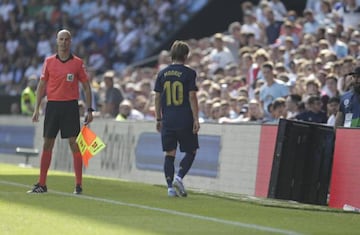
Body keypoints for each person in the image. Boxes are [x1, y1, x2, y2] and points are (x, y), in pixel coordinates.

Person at [27, 29, 94, 194]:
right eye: (61, 39)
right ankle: (42, 184)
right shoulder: (49, 61)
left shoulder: (77, 63)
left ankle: (78, 185)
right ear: (57, 41)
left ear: (70, 42)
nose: (64, 42)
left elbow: (86, 86)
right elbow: (42, 85)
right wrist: (36, 108)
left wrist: (89, 109)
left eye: (66, 39)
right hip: (52, 106)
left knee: (74, 144)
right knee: (48, 143)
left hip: (70, 106)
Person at [154, 40, 200, 197]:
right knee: (191, 150)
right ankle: (179, 178)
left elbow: (157, 97)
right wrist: (196, 118)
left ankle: (170, 188)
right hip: (184, 118)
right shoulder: (189, 73)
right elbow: (192, 96)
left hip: (168, 120)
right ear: (186, 56)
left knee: (169, 153)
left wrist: (158, 118)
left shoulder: (162, 73)